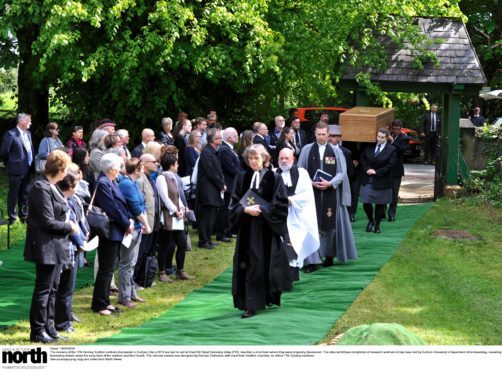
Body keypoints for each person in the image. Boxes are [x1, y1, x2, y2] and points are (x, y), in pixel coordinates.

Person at [229, 145, 291, 318]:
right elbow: (233, 203)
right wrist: (244, 210)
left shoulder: (274, 178)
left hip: (266, 229)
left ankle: (266, 297)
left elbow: (280, 204)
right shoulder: (241, 178)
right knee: (249, 264)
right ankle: (251, 303)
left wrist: (263, 210)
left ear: (264, 158)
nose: (253, 161)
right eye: (250, 158)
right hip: (247, 230)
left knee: (266, 264)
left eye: (256, 158)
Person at [24, 149, 77, 343]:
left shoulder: (51, 185)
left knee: (53, 288)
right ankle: (37, 331)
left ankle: (49, 327)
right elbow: (47, 221)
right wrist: (69, 226)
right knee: (44, 289)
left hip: (56, 244)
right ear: (60, 169)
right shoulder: (40, 187)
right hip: (45, 245)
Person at [298, 122, 357, 270]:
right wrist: (310, 182)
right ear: (315, 134)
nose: (321, 137)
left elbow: (342, 172)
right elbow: (299, 170)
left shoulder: (337, 151)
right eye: (318, 134)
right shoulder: (306, 150)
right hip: (311, 194)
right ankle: (312, 260)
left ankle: (329, 255)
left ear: (328, 135)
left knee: (332, 225)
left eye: (324, 134)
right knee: (312, 225)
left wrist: (330, 183)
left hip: (332, 194)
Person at [91, 153, 134, 316]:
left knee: (109, 269)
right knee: (106, 268)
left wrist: (128, 220)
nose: (120, 169)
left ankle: (105, 301)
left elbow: (120, 205)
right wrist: (126, 224)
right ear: (110, 168)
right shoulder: (103, 183)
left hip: (115, 230)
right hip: (109, 231)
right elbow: (112, 208)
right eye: (118, 167)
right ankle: (99, 303)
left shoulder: (110, 181)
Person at [276, 148, 319, 279]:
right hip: (279, 216)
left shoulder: (301, 173)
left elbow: (307, 195)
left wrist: (291, 200)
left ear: (293, 159)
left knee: (294, 243)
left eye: (286, 158)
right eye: (281, 158)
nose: (283, 161)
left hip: (296, 216)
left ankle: (292, 275)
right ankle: (279, 276)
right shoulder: (273, 173)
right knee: (279, 245)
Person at [54, 170, 87, 334]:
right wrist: (80, 243)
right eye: (76, 184)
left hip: (70, 249)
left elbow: (78, 222)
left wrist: (84, 236)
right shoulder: (64, 203)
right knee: (64, 288)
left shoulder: (70, 200)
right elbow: (70, 226)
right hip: (65, 249)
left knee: (66, 288)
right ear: (70, 186)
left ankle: (63, 319)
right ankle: (62, 323)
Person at [157, 153, 195, 281]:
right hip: (168, 216)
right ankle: (162, 272)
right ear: (171, 165)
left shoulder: (173, 177)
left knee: (182, 244)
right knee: (165, 245)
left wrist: (183, 209)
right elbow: (165, 198)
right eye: (176, 163)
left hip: (177, 216)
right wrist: (175, 210)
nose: (178, 165)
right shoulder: (161, 178)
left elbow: (177, 197)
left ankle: (180, 270)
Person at [360, 127, 397, 234]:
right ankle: (370, 221)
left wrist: (376, 172)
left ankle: (377, 225)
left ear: (386, 138)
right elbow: (362, 158)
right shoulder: (369, 146)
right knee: (366, 202)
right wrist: (367, 169)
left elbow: (390, 165)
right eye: (378, 136)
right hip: (368, 179)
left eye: (382, 137)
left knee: (380, 204)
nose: (379, 139)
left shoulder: (391, 149)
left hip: (382, 180)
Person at [0, 113, 35, 224]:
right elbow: (4, 152)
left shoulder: (28, 134)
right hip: (15, 169)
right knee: (13, 194)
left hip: (27, 168)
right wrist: (10, 164)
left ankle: (23, 216)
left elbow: (30, 150)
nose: (30, 123)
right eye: (28, 121)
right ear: (21, 121)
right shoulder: (11, 134)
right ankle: (12, 217)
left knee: (24, 193)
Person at [135, 153, 162, 287]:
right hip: (145, 224)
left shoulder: (150, 178)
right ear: (144, 164)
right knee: (141, 252)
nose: (156, 164)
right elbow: (139, 204)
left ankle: (144, 278)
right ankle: (134, 281)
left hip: (154, 222)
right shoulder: (140, 180)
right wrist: (143, 223)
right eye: (153, 162)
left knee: (149, 251)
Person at [196, 128, 226, 249]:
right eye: (219, 138)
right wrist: (221, 184)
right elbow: (211, 172)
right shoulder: (207, 153)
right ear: (214, 140)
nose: (221, 139)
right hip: (207, 189)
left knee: (212, 216)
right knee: (206, 216)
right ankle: (203, 240)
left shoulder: (213, 151)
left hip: (212, 189)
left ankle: (208, 238)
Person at [216, 127, 242, 242]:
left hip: (232, 184)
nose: (238, 138)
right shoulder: (224, 150)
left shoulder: (229, 149)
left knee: (228, 209)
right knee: (224, 210)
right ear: (230, 138)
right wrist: (242, 175)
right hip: (228, 184)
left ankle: (227, 231)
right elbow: (231, 168)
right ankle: (221, 233)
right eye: (236, 136)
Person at [387, 120, 410, 221]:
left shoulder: (404, 138)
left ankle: (392, 213)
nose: (396, 131)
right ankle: (382, 211)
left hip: (396, 169)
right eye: (394, 129)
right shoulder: (387, 135)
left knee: (394, 192)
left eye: (398, 129)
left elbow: (401, 150)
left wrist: (392, 141)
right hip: (386, 168)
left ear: (401, 129)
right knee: (384, 190)